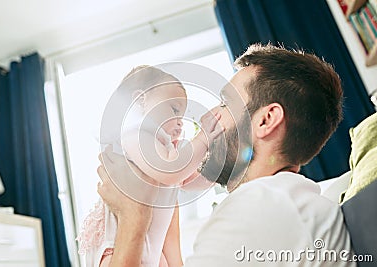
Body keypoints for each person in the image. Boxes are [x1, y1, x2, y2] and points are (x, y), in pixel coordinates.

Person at [96, 43, 356, 266]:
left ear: (266, 120)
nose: (212, 114)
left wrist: (134, 215)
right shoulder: (291, 199)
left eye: (226, 103)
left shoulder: (254, 211)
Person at [77, 65, 224, 267]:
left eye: (182, 116)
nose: (180, 123)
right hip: (116, 244)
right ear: (141, 100)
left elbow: (189, 178)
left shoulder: (166, 150)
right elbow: (171, 170)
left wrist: (219, 171)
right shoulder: (134, 133)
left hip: (152, 248)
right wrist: (203, 138)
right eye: (174, 110)